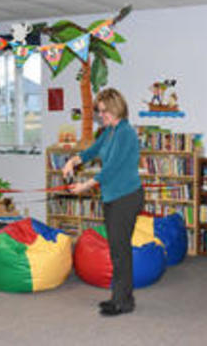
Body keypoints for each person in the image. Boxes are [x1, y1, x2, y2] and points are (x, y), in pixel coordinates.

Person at [62, 88, 143, 316]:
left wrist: (84, 186)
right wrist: (72, 161)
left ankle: (122, 301)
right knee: (117, 249)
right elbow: (91, 151)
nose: (102, 116)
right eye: (99, 112)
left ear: (116, 108)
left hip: (126, 198)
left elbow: (111, 169)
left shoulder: (125, 132)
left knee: (120, 251)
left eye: (104, 112)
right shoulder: (109, 131)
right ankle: (120, 297)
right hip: (113, 197)